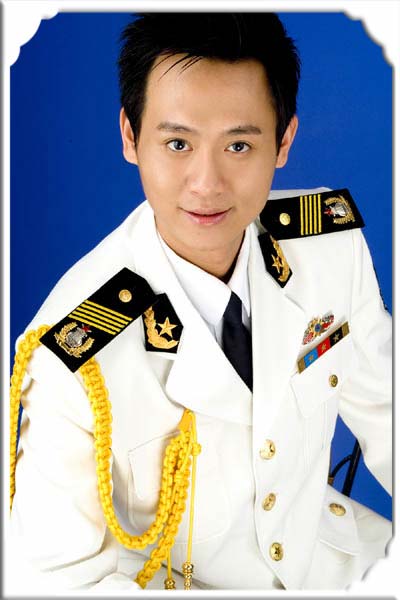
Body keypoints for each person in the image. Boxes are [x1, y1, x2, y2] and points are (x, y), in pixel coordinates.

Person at [9, 13, 391, 592]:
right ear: (130, 137)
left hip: (328, 560)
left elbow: (388, 414)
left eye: (239, 144)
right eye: (178, 143)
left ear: (284, 141)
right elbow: (60, 579)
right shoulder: (74, 349)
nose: (206, 183)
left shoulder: (327, 247)